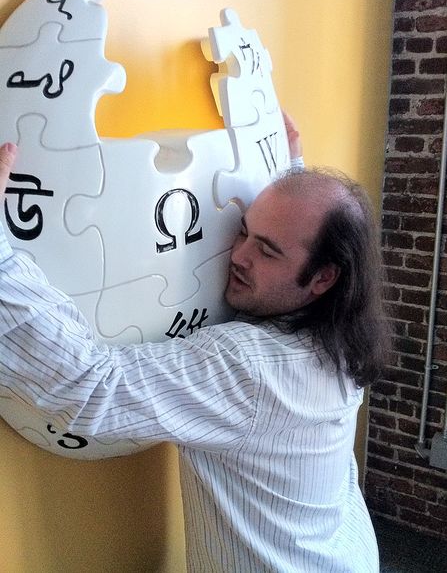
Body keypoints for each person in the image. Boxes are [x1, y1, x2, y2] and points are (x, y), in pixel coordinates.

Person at [0, 122, 389, 572]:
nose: (238, 255)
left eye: (266, 251)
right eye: (243, 231)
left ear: (323, 278)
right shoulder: (346, 333)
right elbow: (304, 232)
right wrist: (289, 161)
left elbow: (88, 388)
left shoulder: (249, 368)